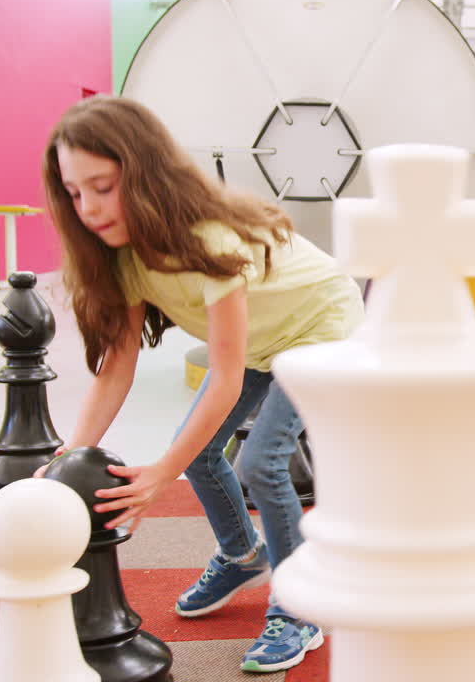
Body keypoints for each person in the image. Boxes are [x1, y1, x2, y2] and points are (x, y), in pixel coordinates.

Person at [38, 95, 363, 673]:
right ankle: (242, 554)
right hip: (264, 340)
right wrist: (73, 453)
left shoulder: (210, 239)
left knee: (260, 463)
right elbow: (117, 365)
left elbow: (227, 373)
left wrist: (158, 473)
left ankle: (298, 606)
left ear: (144, 174)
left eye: (103, 186)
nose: (87, 206)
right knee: (201, 455)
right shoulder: (122, 256)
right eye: (74, 191)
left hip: (320, 325)